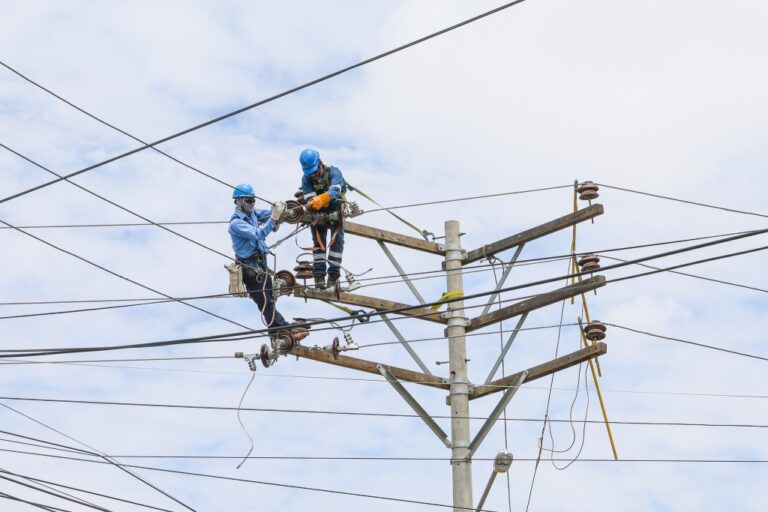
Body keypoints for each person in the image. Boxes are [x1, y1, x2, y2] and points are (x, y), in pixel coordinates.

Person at [228, 183, 303, 340]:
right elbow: (259, 234)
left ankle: (277, 337)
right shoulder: (236, 224)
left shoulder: (252, 214)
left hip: (261, 266)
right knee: (266, 303)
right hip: (251, 271)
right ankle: (284, 330)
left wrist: (280, 212)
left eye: (253, 200)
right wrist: (274, 219)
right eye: (249, 200)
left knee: (269, 301)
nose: (252, 203)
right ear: (239, 201)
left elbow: (268, 214)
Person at [299, 149, 347, 290]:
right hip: (318, 212)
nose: (313, 175)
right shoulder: (306, 179)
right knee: (318, 243)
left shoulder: (333, 172)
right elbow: (309, 199)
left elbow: (335, 190)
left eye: (314, 172)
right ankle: (319, 275)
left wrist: (324, 198)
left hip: (335, 208)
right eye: (310, 173)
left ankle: (333, 275)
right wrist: (314, 205)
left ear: (320, 163)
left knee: (337, 242)